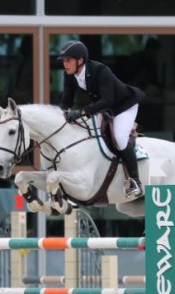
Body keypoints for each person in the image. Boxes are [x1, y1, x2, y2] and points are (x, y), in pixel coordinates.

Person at [57, 40, 146, 198]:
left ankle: (135, 181)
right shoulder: (69, 75)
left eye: (68, 60)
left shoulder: (100, 70)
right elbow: (66, 100)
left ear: (80, 60)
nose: (65, 64)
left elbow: (107, 100)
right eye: (64, 61)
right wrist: (61, 116)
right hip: (106, 108)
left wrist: (81, 112)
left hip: (124, 106)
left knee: (119, 138)